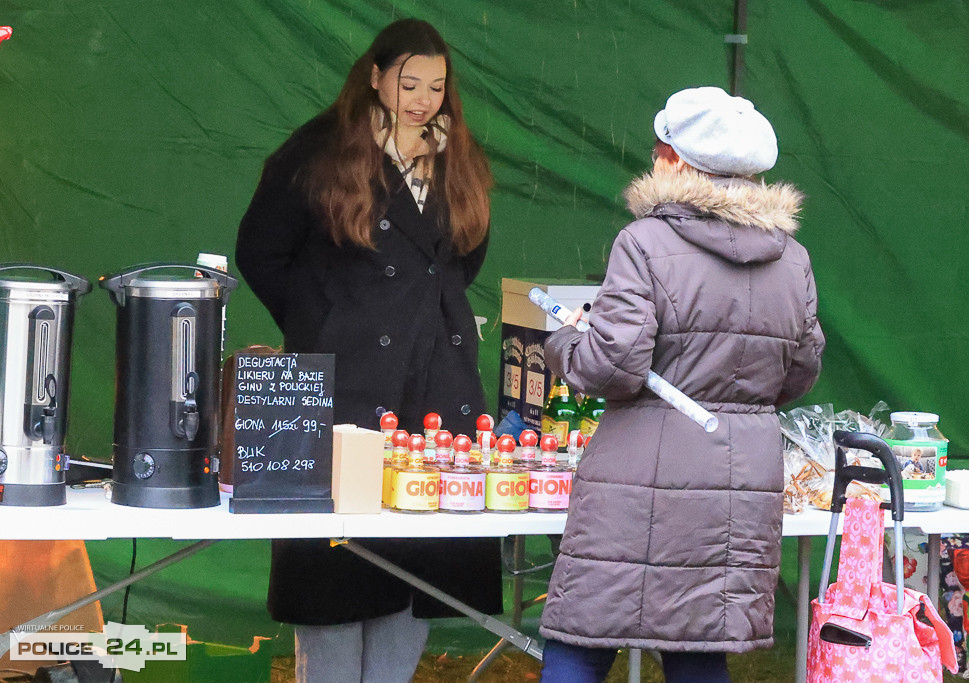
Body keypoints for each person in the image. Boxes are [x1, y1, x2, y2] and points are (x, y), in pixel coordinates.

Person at [235, 18, 501, 683]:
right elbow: (261, 250)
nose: (422, 100)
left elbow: (462, 255)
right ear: (375, 75)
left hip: (433, 382)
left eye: (436, 87)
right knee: (333, 572)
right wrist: (326, 317)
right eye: (408, 83)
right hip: (343, 387)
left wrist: (423, 313)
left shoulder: (455, 154)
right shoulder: (320, 149)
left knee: (411, 560)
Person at [538, 86, 826, 682]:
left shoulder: (644, 243)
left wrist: (564, 343)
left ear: (673, 158)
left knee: (581, 639)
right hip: (742, 475)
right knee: (697, 647)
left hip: (637, 475)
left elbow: (611, 367)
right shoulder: (792, 258)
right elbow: (800, 371)